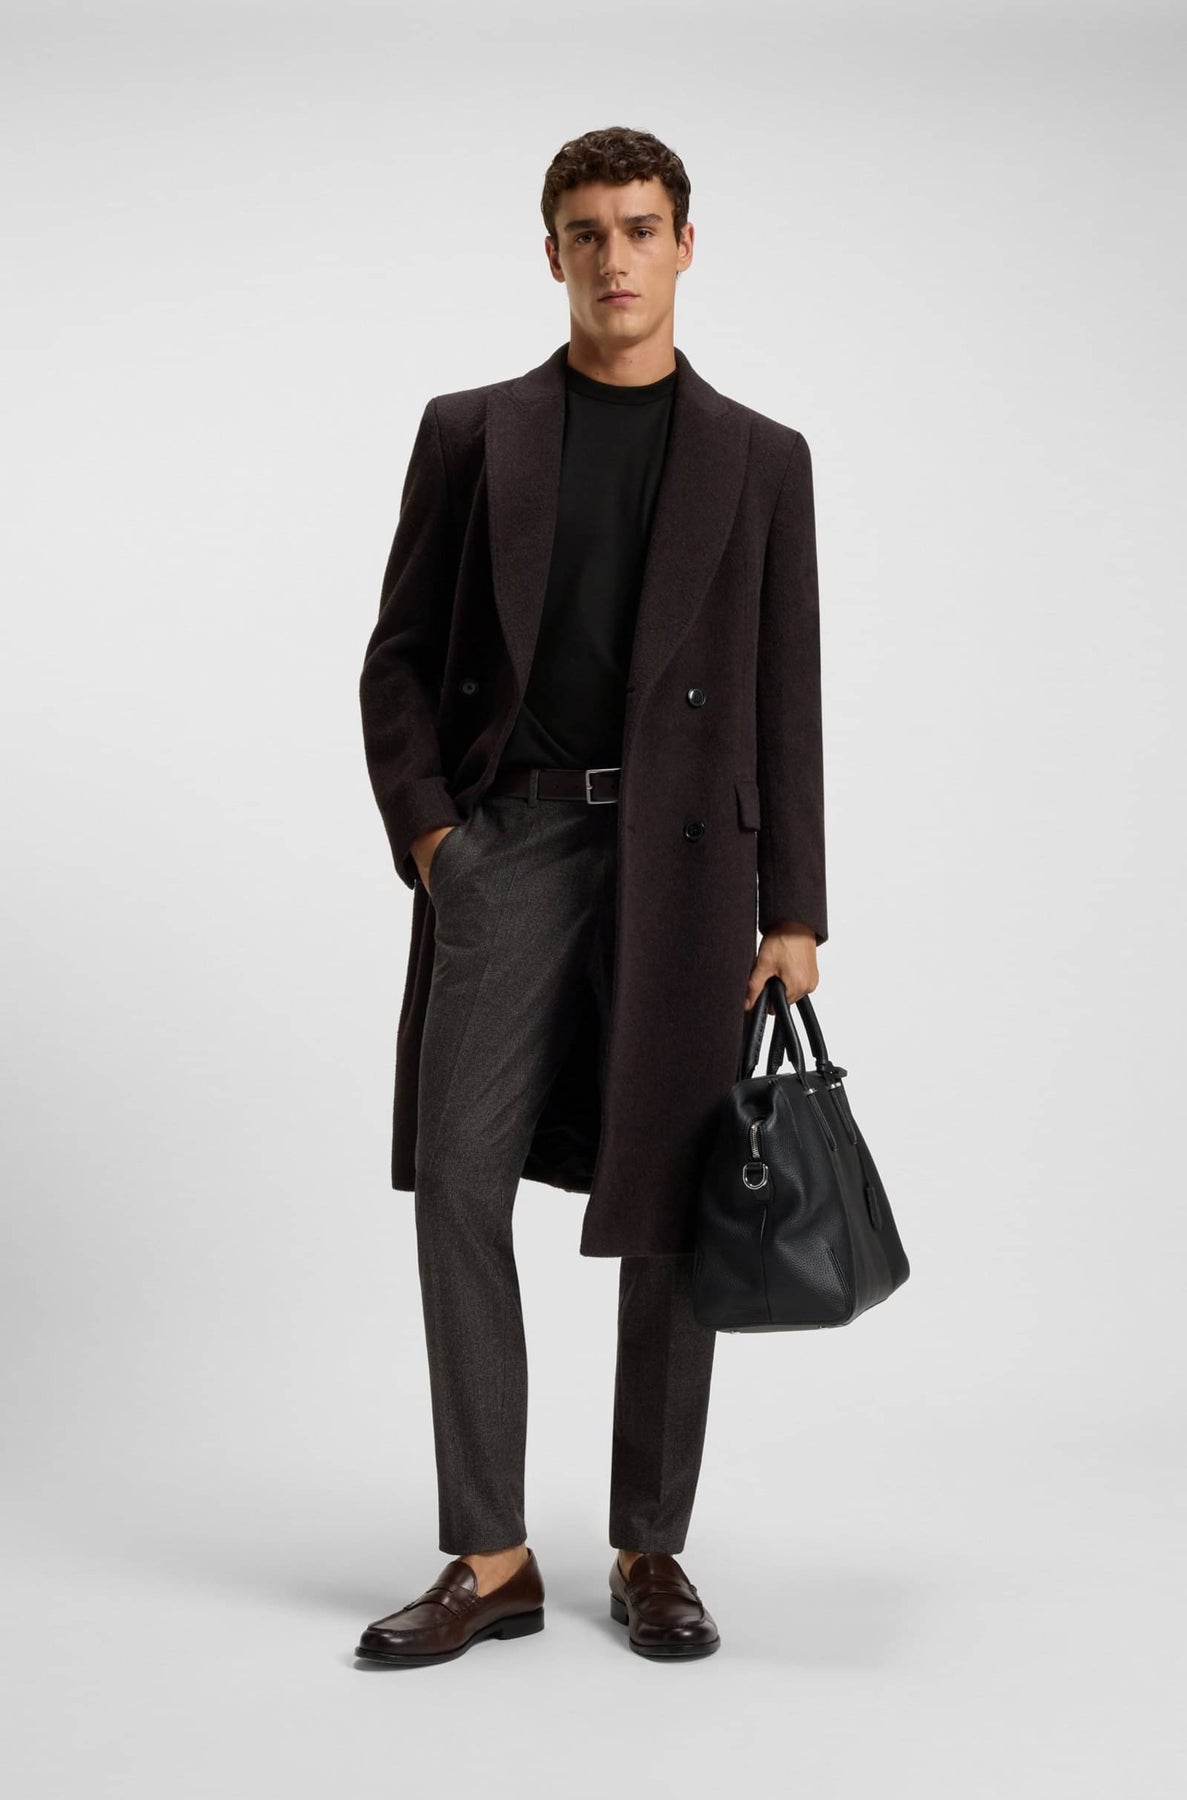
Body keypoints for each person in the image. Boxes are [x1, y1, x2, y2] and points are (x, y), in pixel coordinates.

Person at [354, 125, 826, 1666]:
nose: (614, 257)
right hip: (513, 849)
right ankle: (490, 1556)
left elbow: (788, 691)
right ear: (550, 252)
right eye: (586, 232)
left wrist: (795, 911)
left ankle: (650, 1545)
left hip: (691, 872)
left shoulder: (763, 458)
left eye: (639, 227)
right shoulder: (471, 434)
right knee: (460, 1176)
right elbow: (397, 663)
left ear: (686, 243)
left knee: (677, 1206)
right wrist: (440, 843)